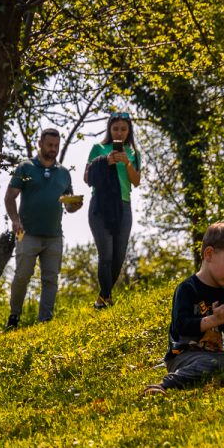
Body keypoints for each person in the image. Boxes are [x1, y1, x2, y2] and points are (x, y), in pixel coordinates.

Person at [147, 223, 224, 393]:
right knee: (212, 363)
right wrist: (213, 320)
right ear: (209, 254)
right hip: (183, 355)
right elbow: (182, 326)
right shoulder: (188, 289)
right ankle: (166, 385)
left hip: (215, 354)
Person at [4, 128, 82, 329]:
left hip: (54, 235)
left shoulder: (63, 173)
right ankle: (14, 317)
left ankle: (45, 321)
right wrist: (15, 220)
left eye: (56, 146)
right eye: (49, 145)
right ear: (40, 144)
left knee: (50, 279)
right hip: (26, 233)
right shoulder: (26, 167)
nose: (53, 149)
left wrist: (74, 206)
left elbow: (68, 205)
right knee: (22, 276)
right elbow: (10, 197)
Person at [83, 110, 143, 309]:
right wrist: (104, 162)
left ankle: (103, 296)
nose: (119, 132)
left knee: (119, 256)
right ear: (109, 129)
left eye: (123, 129)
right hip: (100, 206)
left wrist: (127, 163)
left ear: (129, 131)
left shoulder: (134, 153)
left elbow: (136, 182)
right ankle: (106, 300)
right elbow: (87, 177)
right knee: (106, 255)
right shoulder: (98, 148)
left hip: (124, 206)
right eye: (115, 128)